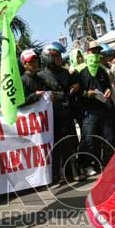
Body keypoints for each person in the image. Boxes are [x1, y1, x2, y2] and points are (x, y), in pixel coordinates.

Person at [38, 41, 81, 183]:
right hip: (53, 116)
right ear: (48, 57)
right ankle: (59, 175)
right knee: (59, 145)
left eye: (60, 56)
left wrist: (75, 85)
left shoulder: (64, 72)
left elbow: (72, 86)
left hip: (67, 112)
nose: (59, 58)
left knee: (72, 142)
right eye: (56, 56)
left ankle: (74, 171)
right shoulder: (41, 76)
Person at [75, 41, 115, 177]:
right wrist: (88, 93)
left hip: (103, 108)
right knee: (89, 140)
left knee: (108, 138)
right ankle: (87, 165)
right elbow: (75, 92)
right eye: (93, 50)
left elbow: (108, 86)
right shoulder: (79, 70)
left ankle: (106, 163)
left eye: (98, 50)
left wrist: (108, 91)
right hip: (88, 111)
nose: (95, 53)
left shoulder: (102, 69)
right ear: (87, 52)